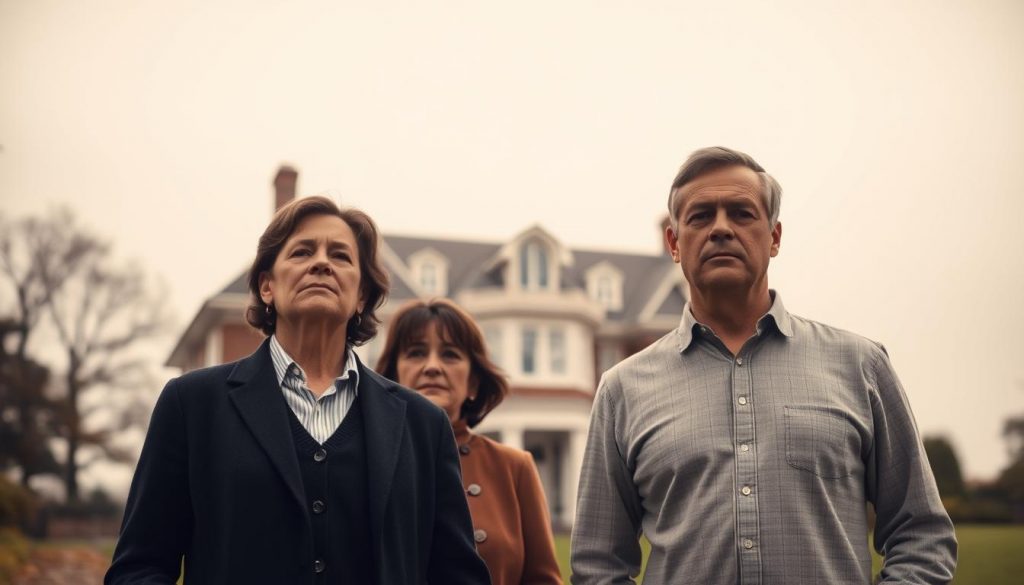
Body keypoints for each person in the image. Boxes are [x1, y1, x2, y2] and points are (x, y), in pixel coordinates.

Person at [570, 147, 957, 584]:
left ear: (774, 237)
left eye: (741, 213)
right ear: (674, 244)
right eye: (701, 216)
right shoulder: (622, 390)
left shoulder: (862, 366)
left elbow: (921, 534)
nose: (721, 228)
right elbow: (597, 564)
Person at [106, 196, 490, 585]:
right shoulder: (192, 405)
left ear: (361, 295)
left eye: (340, 256)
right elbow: (138, 568)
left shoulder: (424, 426)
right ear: (267, 286)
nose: (321, 263)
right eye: (302, 252)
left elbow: (459, 577)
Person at [376, 298, 563, 585]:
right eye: (416, 353)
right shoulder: (368, 460)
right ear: (392, 376)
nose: (432, 366)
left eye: (450, 355)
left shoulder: (514, 467)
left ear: (474, 382)